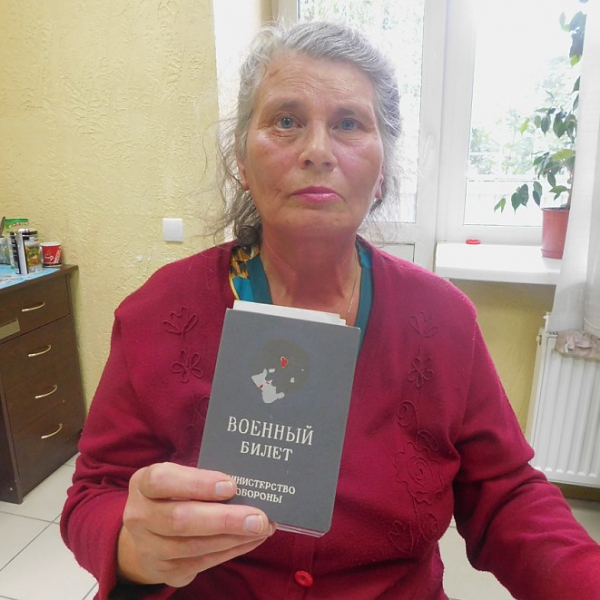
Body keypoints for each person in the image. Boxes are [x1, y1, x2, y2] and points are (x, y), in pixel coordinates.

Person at [61, 20, 600, 599]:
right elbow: (94, 493)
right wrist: (132, 547)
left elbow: (506, 492)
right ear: (241, 159)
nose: (317, 151)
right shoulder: (159, 312)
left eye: (348, 124)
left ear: (383, 168)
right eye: (285, 121)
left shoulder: (443, 320)